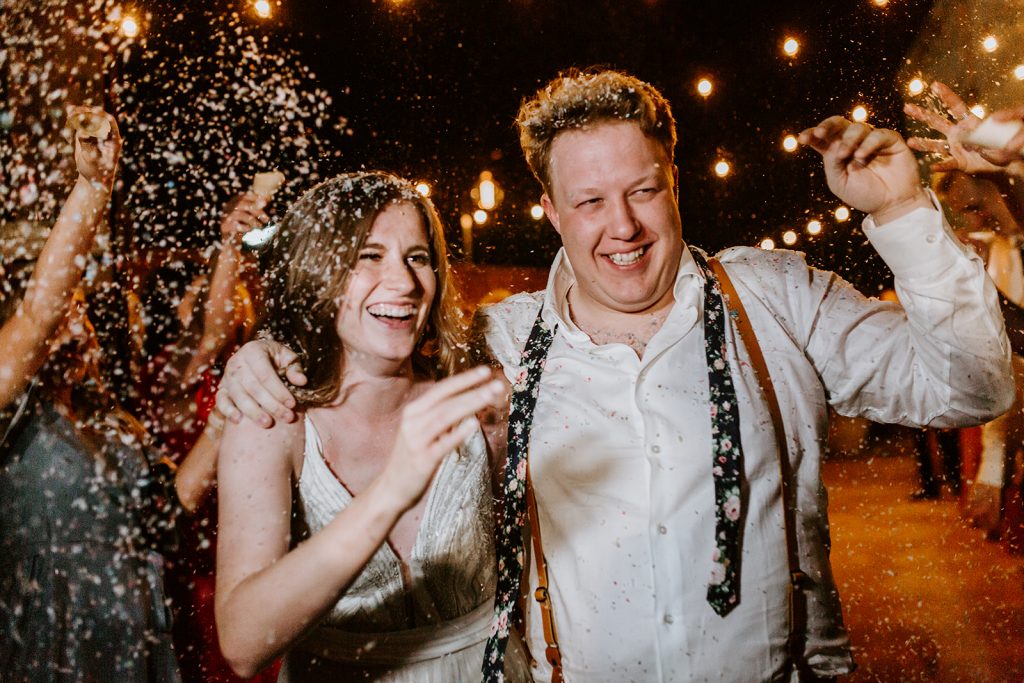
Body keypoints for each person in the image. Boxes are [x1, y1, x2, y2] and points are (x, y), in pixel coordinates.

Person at [215, 69, 1014, 681]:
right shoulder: (497, 341)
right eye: (590, 201)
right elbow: (368, 353)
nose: (622, 226)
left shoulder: (777, 298)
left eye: (642, 190)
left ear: (677, 183)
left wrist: (904, 212)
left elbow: (972, 391)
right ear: (554, 212)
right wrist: (269, 359)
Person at [213, 172, 531, 681]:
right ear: (321, 270)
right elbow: (242, 642)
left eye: (418, 257)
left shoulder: (479, 404)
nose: (403, 282)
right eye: (369, 256)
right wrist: (389, 494)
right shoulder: (273, 420)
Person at [0, 108, 181, 680]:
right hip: (38, 636)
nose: (75, 326)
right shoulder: (14, 411)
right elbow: (36, 313)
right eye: (67, 317)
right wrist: (91, 188)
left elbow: (40, 310)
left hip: (122, 630)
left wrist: (93, 185)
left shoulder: (111, 422)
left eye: (84, 315)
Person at [134, 193, 269, 683]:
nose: (229, 294)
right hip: (198, 575)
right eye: (207, 288)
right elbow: (212, 330)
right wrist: (230, 244)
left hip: (239, 558)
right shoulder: (170, 371)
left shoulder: (234, 365)